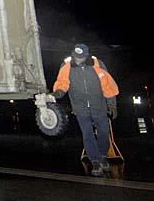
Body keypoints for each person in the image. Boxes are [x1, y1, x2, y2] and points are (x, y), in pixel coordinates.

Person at [49, 43, 119, 177]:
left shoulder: (97, 64)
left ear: (86, 56)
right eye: (76, 57)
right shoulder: (66, 66)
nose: (78, 60)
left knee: (104, 132)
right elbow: (62, 82)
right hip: (80, 108)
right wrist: (57, 93)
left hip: (99, 106)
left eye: (80, 57)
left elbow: (108, 85)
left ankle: (103, 156)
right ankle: (96, 162)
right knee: (87, 135)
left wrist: (112, 104)